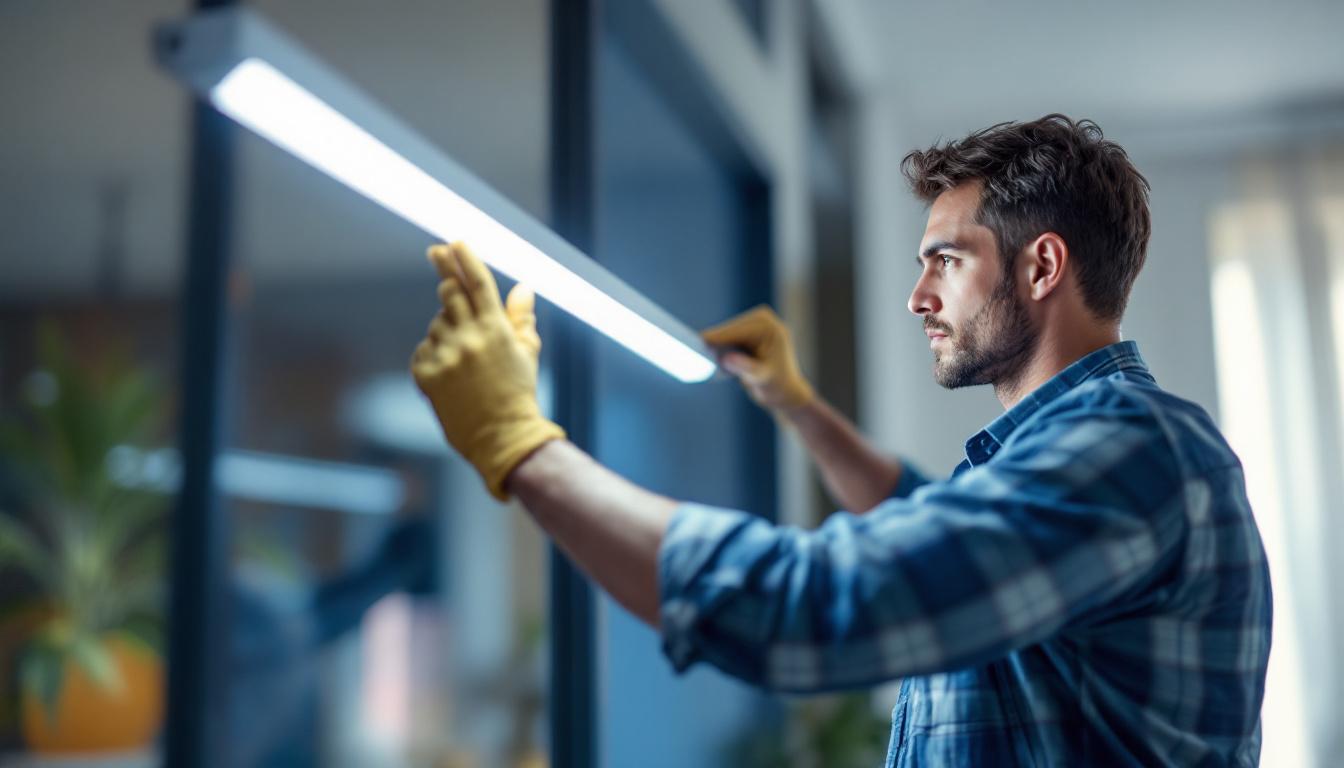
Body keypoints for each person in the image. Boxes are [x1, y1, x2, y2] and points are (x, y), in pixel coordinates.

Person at [410, 114, 1271, 766]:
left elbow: (822, 611)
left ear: (1041, 267)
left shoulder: (1128, 447)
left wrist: (517, 444)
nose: (917, 298)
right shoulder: (1096, 453)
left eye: (946, 260)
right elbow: (935, 526)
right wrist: (796, 407)